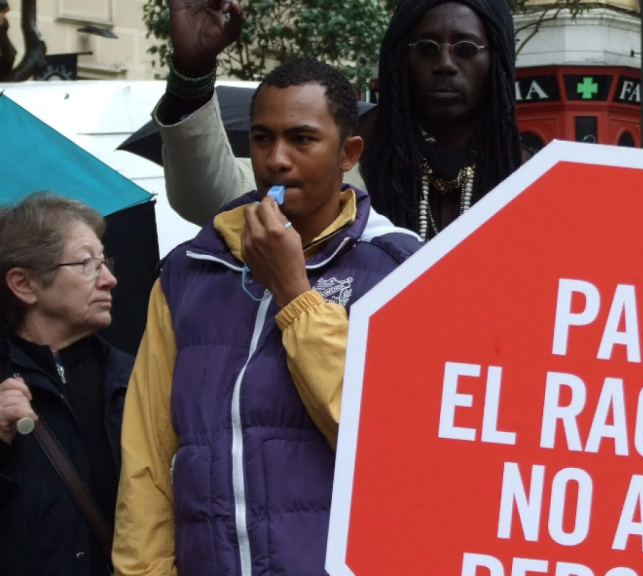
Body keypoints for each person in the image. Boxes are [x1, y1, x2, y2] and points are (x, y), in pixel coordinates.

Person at [113, 57, 421, 576]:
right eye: (261, 139)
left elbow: (384, 444)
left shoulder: (397, 265)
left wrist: (293, 291)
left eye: (302, 140)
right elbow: (147, 458)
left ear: (348, 153)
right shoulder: (189, 272)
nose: (276, 160)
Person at [155, 0, 524, 240]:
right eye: (426, 48)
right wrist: (194, 71)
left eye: (465, 49)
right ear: (400, 60)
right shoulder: (346, 156)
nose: (444, 64)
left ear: (497, 62)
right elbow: (210, 196)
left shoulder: (532, 175)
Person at [0, 192, 132, 576]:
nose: (110, 279)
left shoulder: (132, 379)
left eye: (104, 262)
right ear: (24, 284)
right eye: (87, 263)